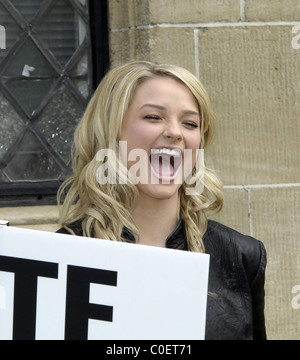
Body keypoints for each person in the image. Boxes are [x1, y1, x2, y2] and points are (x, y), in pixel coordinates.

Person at [57, 61, 267, 340]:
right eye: (154, 117)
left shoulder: (241, 256)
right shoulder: (61, 254)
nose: (175, 133)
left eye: (190, 123)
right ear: (111, 130)